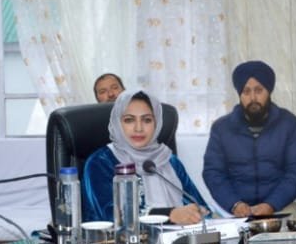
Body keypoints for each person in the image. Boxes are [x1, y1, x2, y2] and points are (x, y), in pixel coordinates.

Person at [83, 87, 208, 223]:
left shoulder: (169, 161)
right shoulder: (100, 162)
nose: (139, 128)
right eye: (129, 120)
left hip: (178, 235)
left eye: (147, 120)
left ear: (157, 123)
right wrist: (169, 215)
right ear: (117, 122)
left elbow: (199, 206)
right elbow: (111, 215)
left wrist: (199, 213)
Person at [202, 59, 296, 217]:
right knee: (216, 232)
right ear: (239, 94)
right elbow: (213, 173)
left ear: (268, 91)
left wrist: (271, 204)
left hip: (281, 207)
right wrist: (234, 204)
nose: (253, 98)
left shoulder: (290, 124)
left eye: (258, 90)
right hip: (233, 211)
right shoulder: (221, 128)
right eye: (246, 91)